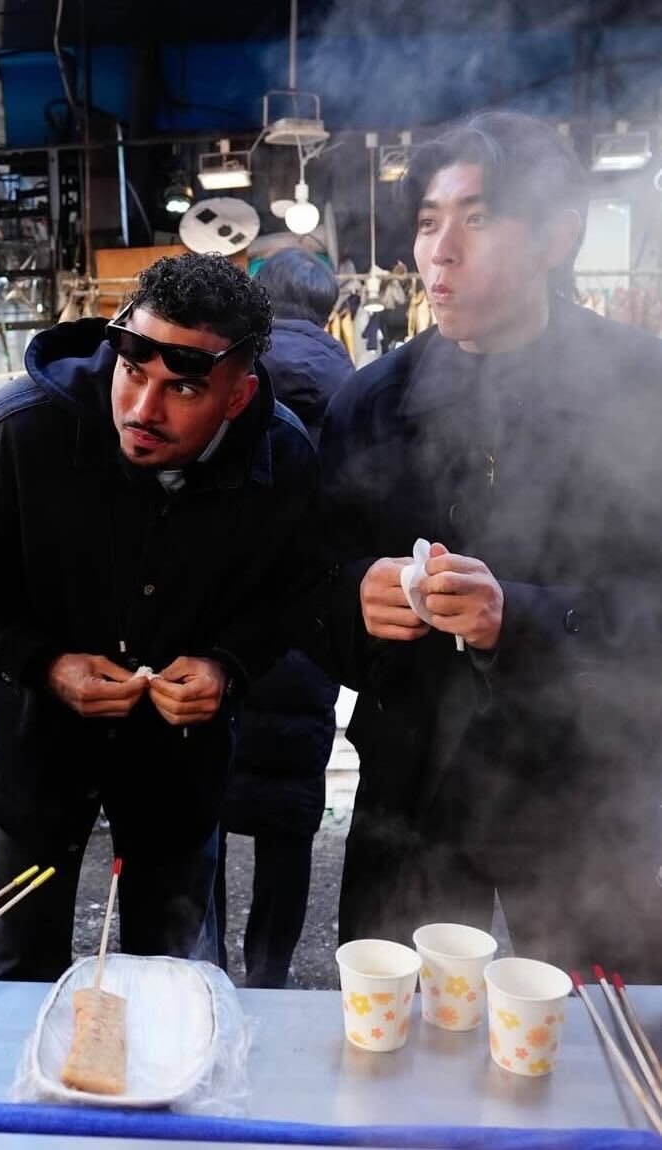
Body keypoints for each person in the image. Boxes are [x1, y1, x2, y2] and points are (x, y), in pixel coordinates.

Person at [320, 111, 662, 979]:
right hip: (413, 789)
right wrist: (353, 592)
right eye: (430, 221)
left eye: (476, 218)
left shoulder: (640, 390)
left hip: (593, 791)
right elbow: (300, 585)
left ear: (558, 233)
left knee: (602, 1047)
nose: (439, 251)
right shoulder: (371, 404)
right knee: (402, 1055)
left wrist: (527, 617)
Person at [0, 252, 317, 981]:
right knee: (18, 971)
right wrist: (39, 661)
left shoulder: (283, 459)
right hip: (30, 751)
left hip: (179, 763)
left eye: (184, 388)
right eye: (133, 372)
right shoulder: (13, 435)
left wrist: (226, 665)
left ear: (238, 396)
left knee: (166, 977)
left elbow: (293, 594)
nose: (142, 409)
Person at [214, 249, 350, 987]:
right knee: (290, 818)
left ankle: (204, 964)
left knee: (204, 804)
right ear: (331, 312)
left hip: (221, 627)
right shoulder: (362, 392)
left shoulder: (229, 380)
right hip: (309, 633)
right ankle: (268, 973)